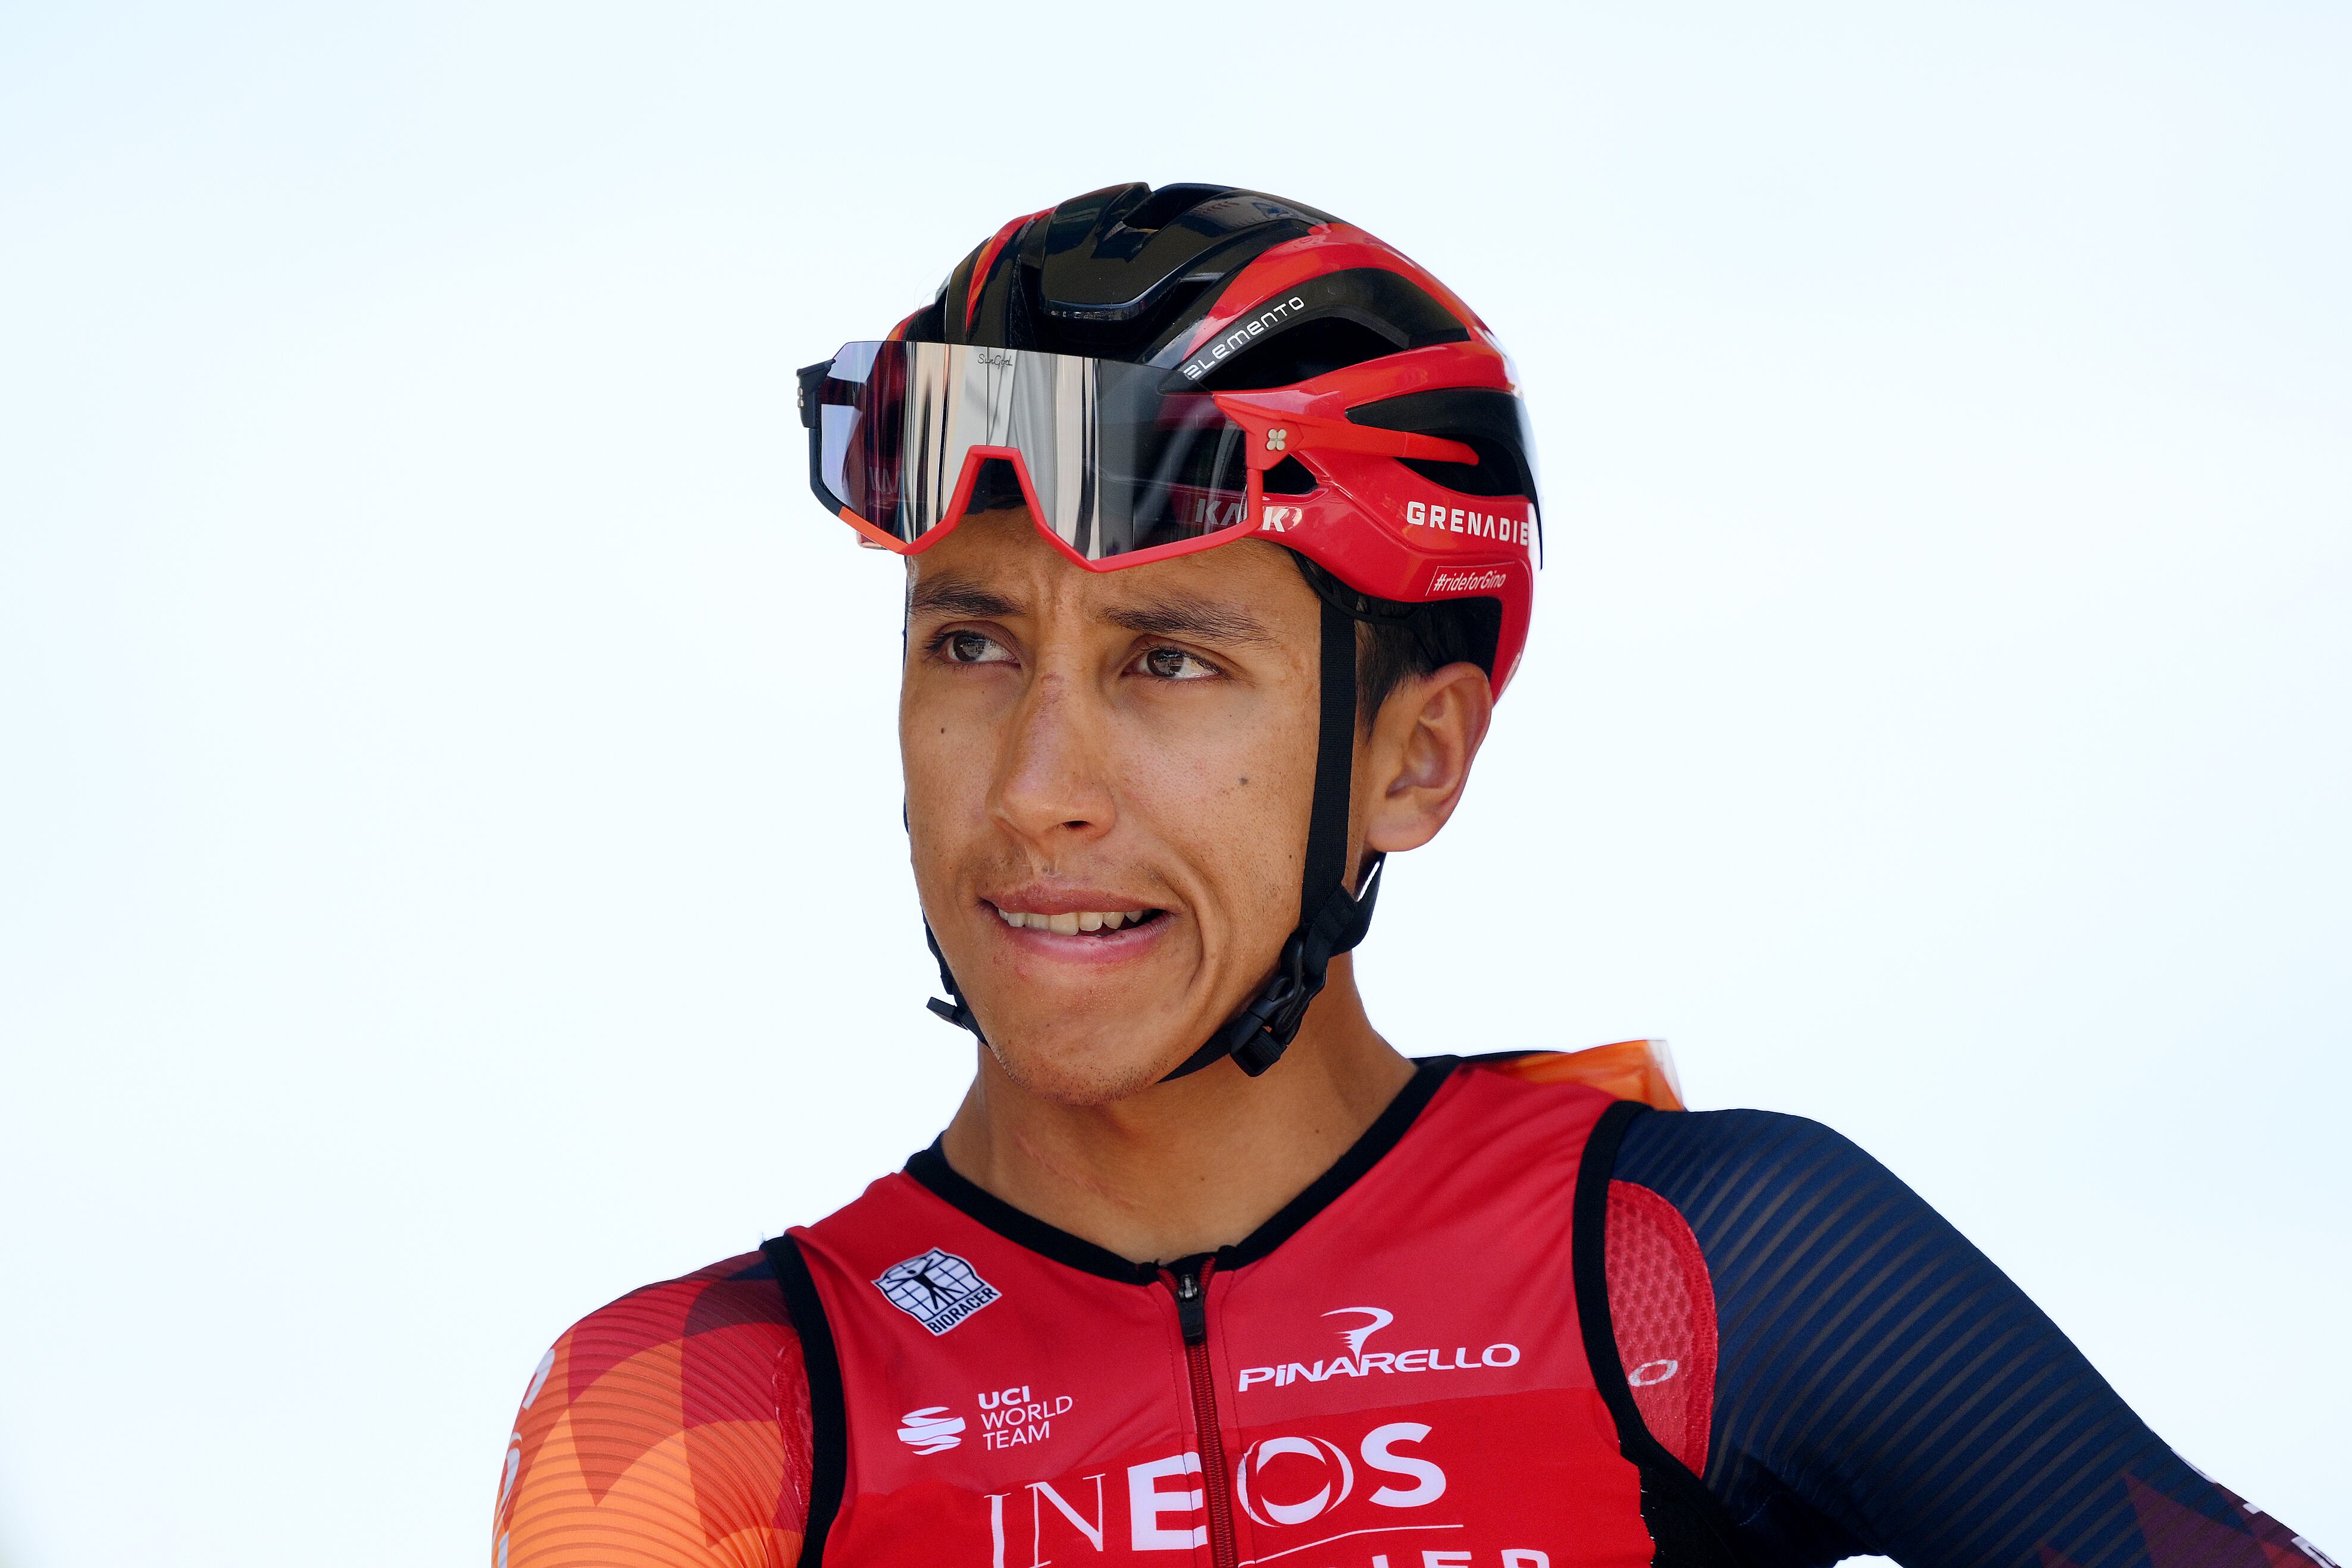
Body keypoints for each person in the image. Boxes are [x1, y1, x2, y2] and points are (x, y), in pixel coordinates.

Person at [490, 183, 2330, 1568]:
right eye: (971, 644)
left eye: (1170, 662)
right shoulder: (704, 1408)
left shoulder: (1705, 1263)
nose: (1036, 790)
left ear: (1413, 758)